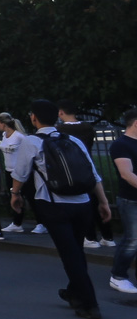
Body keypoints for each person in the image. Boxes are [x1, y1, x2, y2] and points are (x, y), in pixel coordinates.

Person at [11, 99, 113, 319]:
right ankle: (74, 292)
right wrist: (103, 202)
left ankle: (89, 304)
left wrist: (15, 194)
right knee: (76, 249)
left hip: (53, 204)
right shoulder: (72, 139)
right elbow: (92, 173)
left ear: (33, 118)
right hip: (83, 203)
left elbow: (20, 174)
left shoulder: (31, 142)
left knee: (70, 254)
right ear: (57, 117)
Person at [58, 101, 113, 249]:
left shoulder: (60, 130)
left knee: (85, 203)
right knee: (98, 201)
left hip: (73, 169)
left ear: (61, 112)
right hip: (89, 165)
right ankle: (108, 236)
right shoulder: (88, 127)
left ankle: (90, 237)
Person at [0, 113, 42, 234]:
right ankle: (17, 222)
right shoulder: (4, 135)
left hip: (21, 171)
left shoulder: (19, 136)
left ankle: (41, 222)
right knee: (14, 196)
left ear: (4, 124)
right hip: (9, 170)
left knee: (30, 196)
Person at [110, 107, 137, 296]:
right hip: (131, 200)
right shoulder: (121, 145)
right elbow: (127, 174)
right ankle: (118, 276)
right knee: (132, 240)